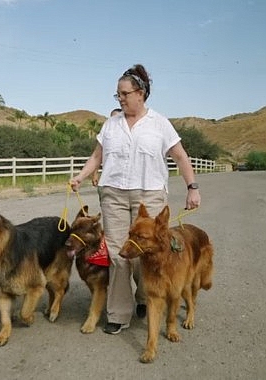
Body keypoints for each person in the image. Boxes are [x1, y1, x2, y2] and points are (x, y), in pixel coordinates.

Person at [69, 64, 201, 334]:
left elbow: (180, 156)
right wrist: (81, 176)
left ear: (140, 93)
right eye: (117, 94)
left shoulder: (160, 124)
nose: (120, 98)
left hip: (149, 194)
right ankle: (118, 313)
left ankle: (144, 297)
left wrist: (192, 186)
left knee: (146, 251)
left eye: (124, 93)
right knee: (119, 254)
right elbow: (97, 156)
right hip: (113, 193)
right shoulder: (111, 124)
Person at [90, 108, 121, 187]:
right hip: (107, 182)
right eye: (111, 118)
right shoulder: (106, 135)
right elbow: (97, 157)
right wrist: (95, 173)